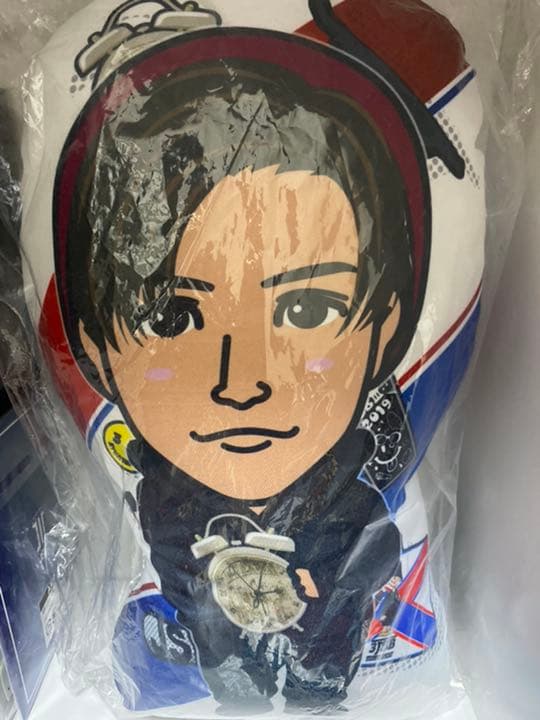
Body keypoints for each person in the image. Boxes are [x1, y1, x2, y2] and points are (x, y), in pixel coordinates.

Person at [53, 30, 449, 710]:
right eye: (173, 316)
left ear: (387, 324)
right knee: (230, 676)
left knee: (319, 679)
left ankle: (314, 686)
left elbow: (378, 544)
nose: (241, 385)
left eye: (304, 308)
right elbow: (162, 553)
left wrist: (334, 591)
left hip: (329, 636)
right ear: (92, 344)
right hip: (206, 641)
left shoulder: (355, 481)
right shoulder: (164, 497)